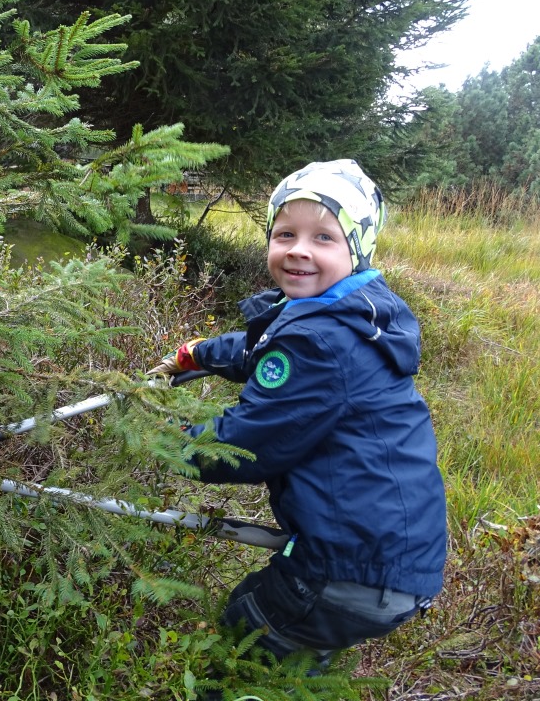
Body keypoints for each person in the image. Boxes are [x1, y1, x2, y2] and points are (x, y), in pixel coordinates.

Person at [147, 159, 447, 665]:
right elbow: (262, 345)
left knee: (252, 632)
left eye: (324, 237)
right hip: (394, 558)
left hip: (348, 570)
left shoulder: (319, 342)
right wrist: (198, 353)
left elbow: (245, 447)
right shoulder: (350, 310)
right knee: (300, 643)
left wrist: (164, 436)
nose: (299, 250)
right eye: (285, 233)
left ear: (356, 249)